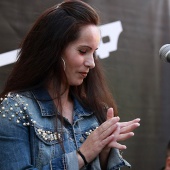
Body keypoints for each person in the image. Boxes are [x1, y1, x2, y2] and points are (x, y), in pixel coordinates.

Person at [0, 1, 140, 169]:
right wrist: (82, 155)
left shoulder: (94, 111)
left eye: (94, 53)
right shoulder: (16, 108)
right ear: (55, 49)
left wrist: (104, 153)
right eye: (83, 51)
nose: (91, 63)